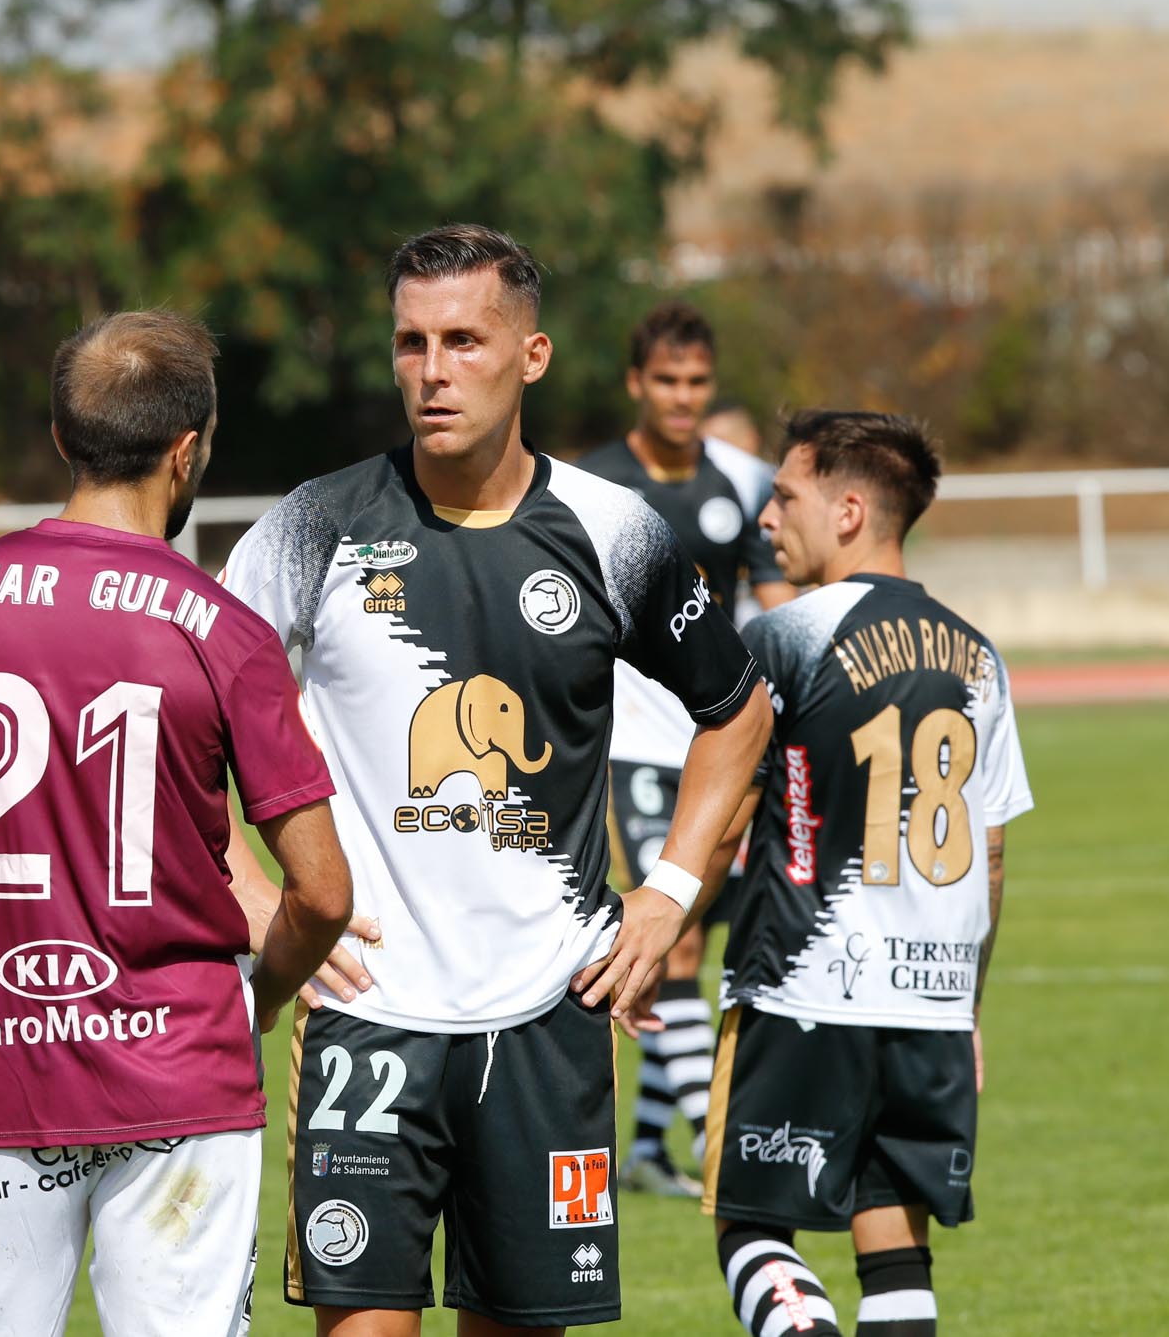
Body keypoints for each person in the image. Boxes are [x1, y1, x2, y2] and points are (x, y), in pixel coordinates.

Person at [221, 223, 772, 1335]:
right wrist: (258, 899)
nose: (432, 370)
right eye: (410, 342)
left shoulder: (615, 532)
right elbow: (186, 725)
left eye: (464, 340)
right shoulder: (311, 528)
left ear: (530, 356)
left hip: (547, 1013)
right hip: (368, 1015)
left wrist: (666, 894)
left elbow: (736, 709)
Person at [0, 309, 353, 1337]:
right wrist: (260, 996)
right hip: (184, 1079)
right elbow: (322, 893)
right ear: (186, 446)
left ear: (63, 436)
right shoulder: (225, 631)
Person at [702, 410, 1031, 1337]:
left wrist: (662, 923)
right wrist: (966, 1004)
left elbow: (723, 809)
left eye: (785, 495)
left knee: (750, 1224)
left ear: (848, 510)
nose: (766, 519)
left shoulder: (783, 635)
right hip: (929, 1002)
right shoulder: (980, 656)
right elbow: (991, 853)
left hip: (803, 984)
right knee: (894, 1251)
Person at [575, 301, 794, 1197]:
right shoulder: (595, 487)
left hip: (722, 747)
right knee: (671, 947)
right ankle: (718, 1150)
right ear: (636, 383)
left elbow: (772, 601)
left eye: (698, 382)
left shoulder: (732, 486)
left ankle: (648, 1150)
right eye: (666, 380)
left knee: (686, 952)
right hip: (629, 749)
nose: (683, 397)